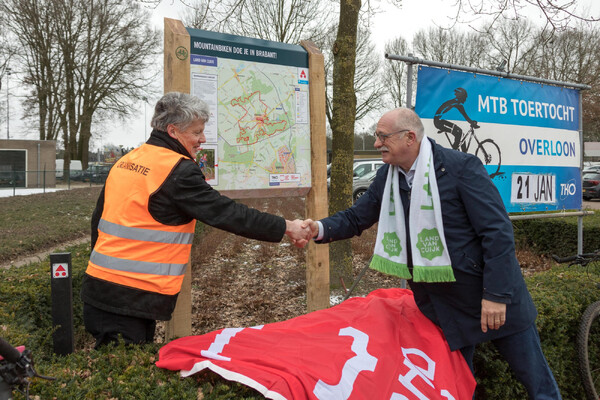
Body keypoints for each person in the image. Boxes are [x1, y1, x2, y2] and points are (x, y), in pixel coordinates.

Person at [302, 108, 561, 399]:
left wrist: (496, 296)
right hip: (443, 307)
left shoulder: (461, 168)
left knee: (539, 386)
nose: (376, 144)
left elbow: (497, 233)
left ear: (409, 137)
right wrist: (318, 228)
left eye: (382, 137)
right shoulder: (388, 176)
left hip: (490, 296)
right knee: (458, 389)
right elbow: (355, 218)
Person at [81, 92, 312, 349]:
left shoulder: (128, 161)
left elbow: (97, 220)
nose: (202, 140)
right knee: (122, 376)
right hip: (130, 298)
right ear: (172, 131)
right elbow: (227, 213)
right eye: (196, 132)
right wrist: (286, 227)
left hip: (101, 289)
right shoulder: (177, 170)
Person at [433, 87, 479, 152]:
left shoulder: (456, 103)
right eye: (465, 97)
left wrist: (471, 122)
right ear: (461, 96)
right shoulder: (455, 103)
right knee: (459, 132)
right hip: (438, 122)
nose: (465, 100)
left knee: (461, 133)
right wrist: (472, 122)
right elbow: (465, 115)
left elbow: (465, 116)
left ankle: (464, 154)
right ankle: (454, 153)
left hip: (441, 120)